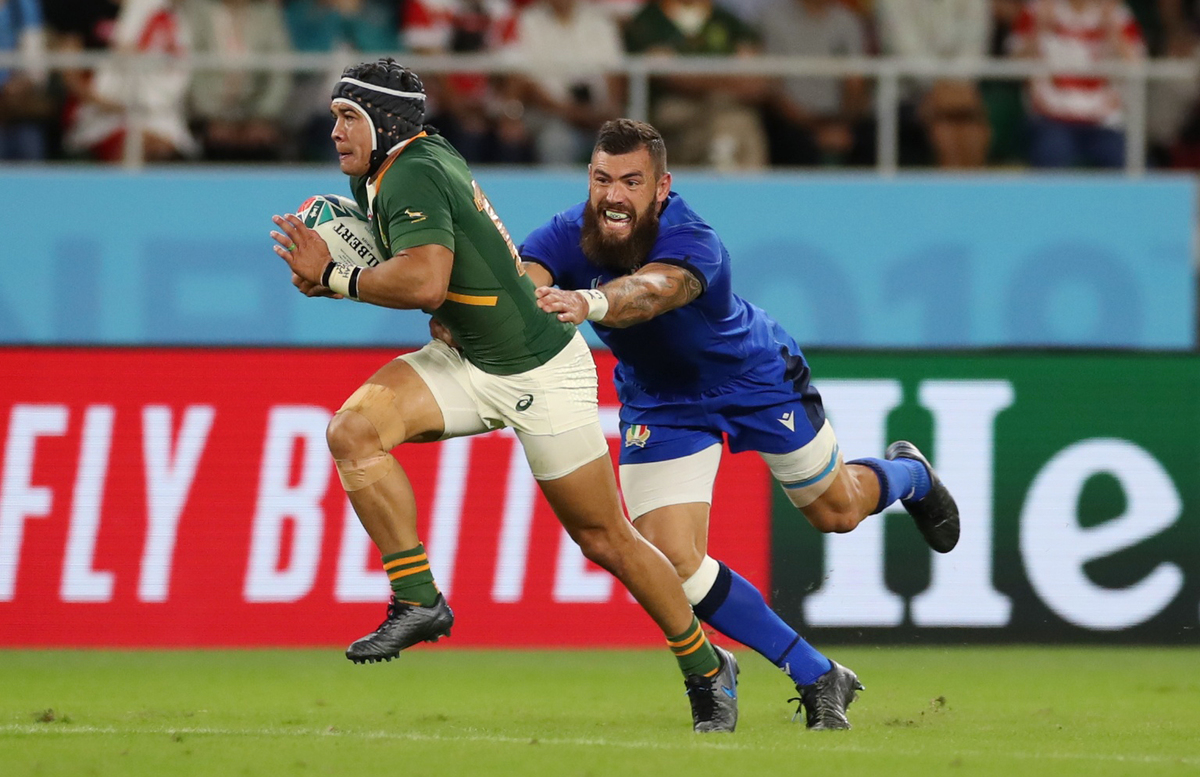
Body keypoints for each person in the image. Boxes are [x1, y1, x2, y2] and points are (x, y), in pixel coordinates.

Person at [268, 58, 738, 734]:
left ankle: (706, 667)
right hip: (468, 355)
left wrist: (337, 276)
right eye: (336, 116)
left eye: (349, 116)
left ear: (385, 120)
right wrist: (347, 278)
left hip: (538, 369)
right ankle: (419, 598)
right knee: (353, 433)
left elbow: (425, 282)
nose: (336, 130)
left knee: (606, 538)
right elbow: (434, 275)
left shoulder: (412, 171)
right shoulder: (392, 167)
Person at [521, 119, 962, 730]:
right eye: (602, 179)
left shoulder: (694, 238)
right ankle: (816, 673)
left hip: (755, 379)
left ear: (662, 188)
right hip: (662, 401)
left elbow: (654, 291)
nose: (613, 196)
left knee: (836, 512)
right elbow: (524, 282)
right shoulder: (568, 232)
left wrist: (589, 302)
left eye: (631, 181)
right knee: (671, 560)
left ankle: (910, 475)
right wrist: (502, 307)